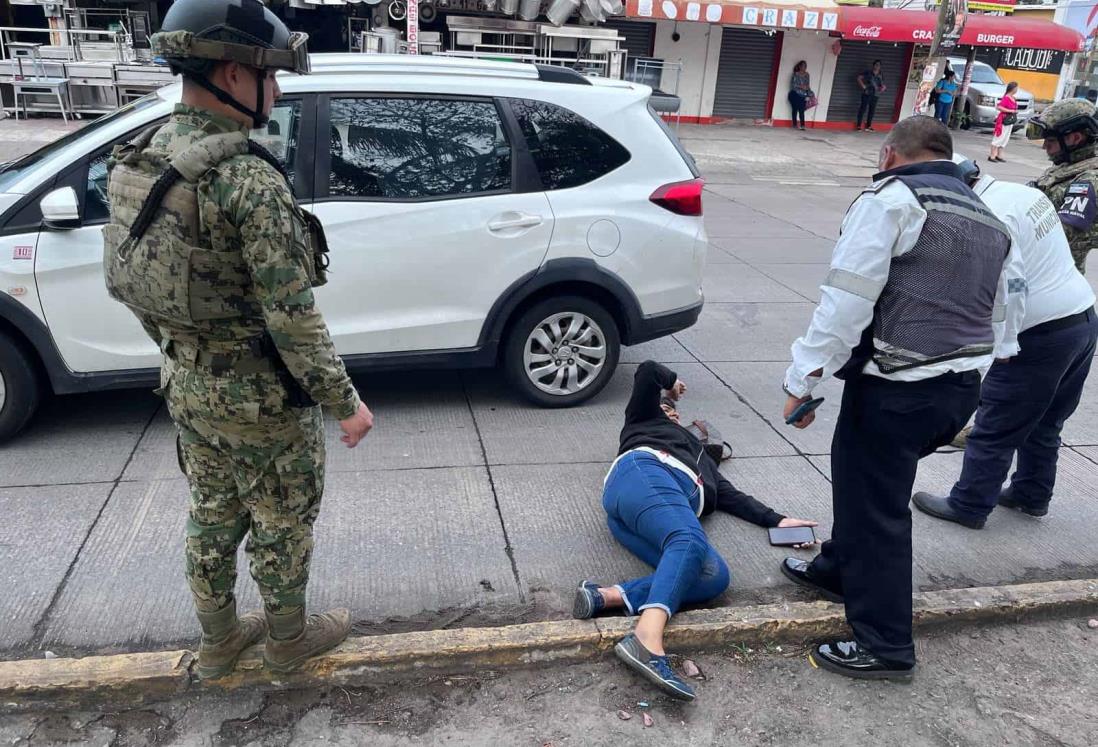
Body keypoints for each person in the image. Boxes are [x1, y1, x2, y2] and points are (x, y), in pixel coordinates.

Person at [102, 0, 374, 679]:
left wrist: (184, 349)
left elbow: (133, 282)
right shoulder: (247, 176)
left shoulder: (144, 154)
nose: (276, 91)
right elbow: (292, 316)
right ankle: (287, 641)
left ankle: (219, 640)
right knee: (281, 519)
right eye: (270, 77)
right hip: (261, 398)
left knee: (212, 512)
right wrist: (345, 403)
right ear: (231, 71)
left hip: (186, 383)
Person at [778, 117, 1013, 682]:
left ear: (888, 154)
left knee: (878, 508)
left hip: (896, 388)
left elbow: (848, 298)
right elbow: (1005, 308)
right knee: (865, 490)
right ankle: (837, 568)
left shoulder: (892, 200)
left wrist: (803, 379)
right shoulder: (988, 216)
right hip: (957, 389)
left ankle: (885, 645)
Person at [574, 360, 818, 701]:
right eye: (664, 408)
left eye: (672, 410)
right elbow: (647, 371)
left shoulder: (701, 457)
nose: (669, 412)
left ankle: (606, 596)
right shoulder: (644, 421)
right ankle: (646, 639)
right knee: (688, 539)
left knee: (713, 578)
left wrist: (778, 520)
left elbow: (732, 497)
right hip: (645, 474)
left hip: (644, 511)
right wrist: (671, 386)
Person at [913, 157, 1097, 529]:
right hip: (1081, 319)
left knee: (994, 425)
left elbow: (1009, 288)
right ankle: (1031, 495)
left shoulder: (988, 216)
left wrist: (1006, 344)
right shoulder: (1021, 193)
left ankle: (969, 505)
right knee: (1046, 422)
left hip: (1039, 334)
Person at [1027, 98, 1098, 274]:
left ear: (1075, 138)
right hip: (1036, 270)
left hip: (1055, 280)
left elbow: (1062, 233)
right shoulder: (1065, 167)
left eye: (1050, 140)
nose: (1044, 146)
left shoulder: (1088, 181)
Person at [989, 82, 1019, 163]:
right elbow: (999, 107)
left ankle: (999, 155)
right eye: (1016, 88)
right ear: (1012, 88)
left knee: (1005, 138)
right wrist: (1011, 111)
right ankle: (992, 156)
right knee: (999, 137)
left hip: (1010, 120)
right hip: (1004, 119)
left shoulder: (1013, 98)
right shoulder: (1006, 97)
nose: (1017, 90)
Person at [856, 61, 886, 132]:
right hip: (867, 93)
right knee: (862, 109)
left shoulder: (880, 74)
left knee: (872, 111)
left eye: (879, 65)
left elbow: (882, 84)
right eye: (876, 65)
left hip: (875, 94)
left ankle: (868, 126)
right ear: (873, 65)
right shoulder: (868, 72)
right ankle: (858, 126)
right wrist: (863, 86)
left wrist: (883, 88)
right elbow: (859, 78)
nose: (877, 66)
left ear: (880, 67)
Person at [789, 60, 811, 131]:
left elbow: (808, 85)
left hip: (803, 95)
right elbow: (793, 85)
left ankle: (802, 125)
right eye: (802, 66)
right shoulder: (796, 74)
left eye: (805, 66)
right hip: (794, 94)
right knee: (795, 109)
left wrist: (808, 95)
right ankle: (794, 124)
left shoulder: (807, 75)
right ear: (799, 66)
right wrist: (801, 86)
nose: (804, 67)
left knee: (802, 110)